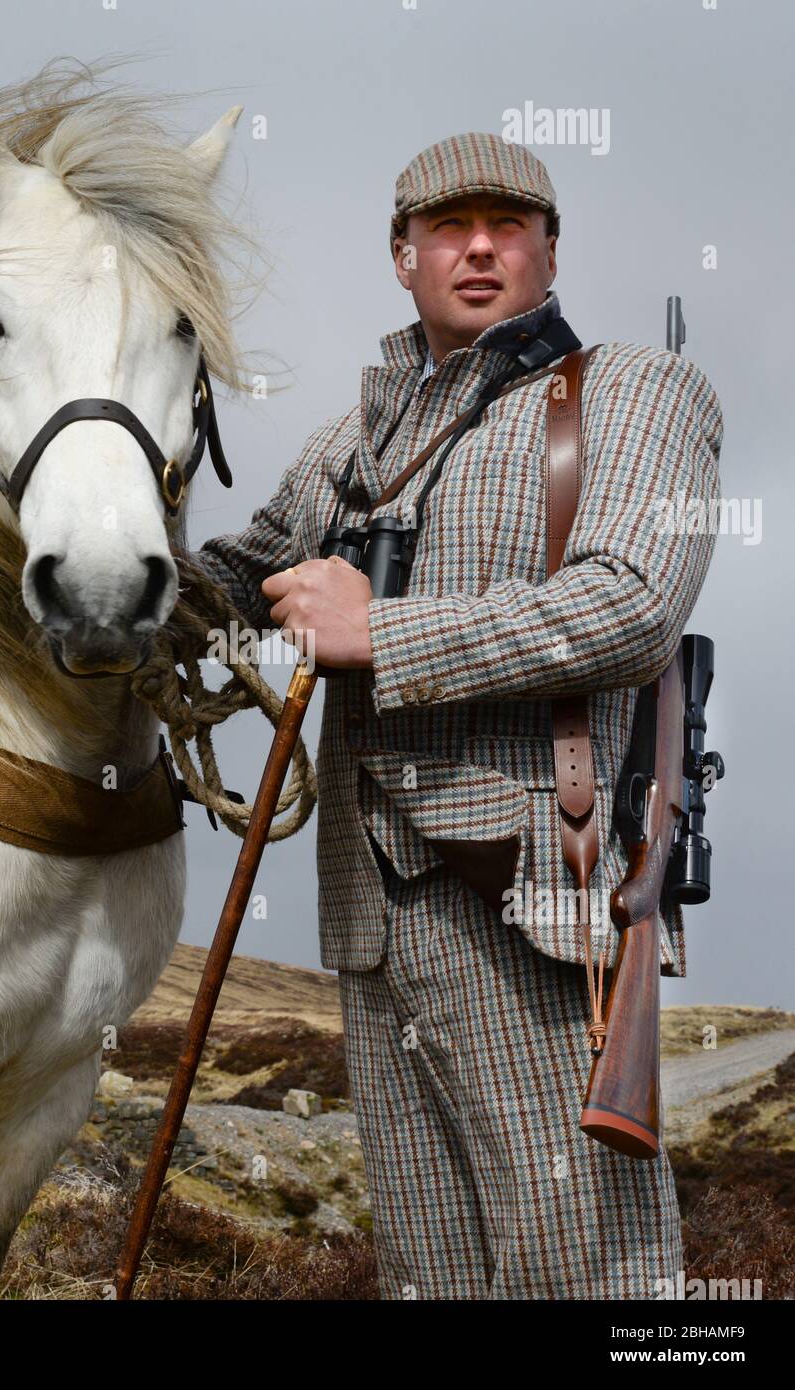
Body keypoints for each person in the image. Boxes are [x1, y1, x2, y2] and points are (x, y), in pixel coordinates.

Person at [191, 132, 722, 1299]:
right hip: (370, 924)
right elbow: (227, 583)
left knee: (587, 1280)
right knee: (428, 1282)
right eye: (445, 227)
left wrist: (379, 632)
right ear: (402, 255)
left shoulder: (635, 390)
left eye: (508, 225)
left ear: (546, 250)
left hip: (534, 901)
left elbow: (629, 607)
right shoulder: (351, 439)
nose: (477, 247)